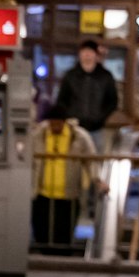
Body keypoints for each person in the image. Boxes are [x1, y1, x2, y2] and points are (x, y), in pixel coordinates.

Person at [32, 102, 103, 253]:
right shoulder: (39, 135)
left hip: (68, 195)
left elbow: (91, 160)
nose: (55, 127)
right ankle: (44, 256)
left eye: (58, 124)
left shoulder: (79, 136)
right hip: (42, 194)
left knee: (64, 233)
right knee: (41, 231)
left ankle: (62, 258)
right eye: (52, 123)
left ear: (64, 122)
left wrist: (97, 180)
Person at [55, 39, 119, 144]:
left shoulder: (105, 76)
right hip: (74, 128)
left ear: (96, 55)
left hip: (97, 129)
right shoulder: (70, 76)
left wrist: (101, 118)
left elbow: (112, 101)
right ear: (79, 54)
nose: (87, 55)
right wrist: (69, 116)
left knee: (96, 153)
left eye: (90, 52)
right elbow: (61, 100)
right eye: (84, 52)